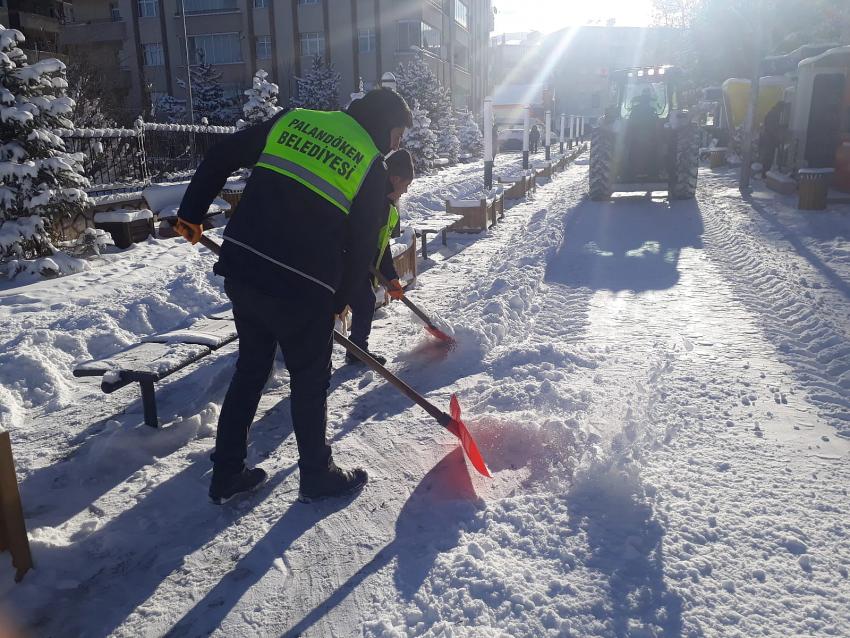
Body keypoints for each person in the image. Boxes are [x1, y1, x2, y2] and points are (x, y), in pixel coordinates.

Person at [174, 88, 413, 504]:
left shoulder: (293, 119)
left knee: (251, 368)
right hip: (303, 287)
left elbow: (222, 155)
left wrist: (191, 212)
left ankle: (227, 473)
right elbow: (360, 246)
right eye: (398, 134)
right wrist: (339, 300)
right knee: (309, 377)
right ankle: (317, 474)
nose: (398, 145)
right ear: (384, 123)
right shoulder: (371, 166)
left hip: (245, 267)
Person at [346, 150, 414, 365]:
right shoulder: (370, 202)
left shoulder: (387, 208)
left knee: (365, 302)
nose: (405, 190)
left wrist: (391, 278)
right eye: (406, 184)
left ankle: (356, 351)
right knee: (363, 301)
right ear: (394, 179)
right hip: (345, 259)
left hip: (359, 263)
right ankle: (356, 351)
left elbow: (381, 247)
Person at [760, 101, 784, 177]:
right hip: (769, 139)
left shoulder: (772, 113)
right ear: (780, 107)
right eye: (782, 109)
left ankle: (765, 173)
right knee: (768, 157)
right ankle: (765, 174)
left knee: (768, 156)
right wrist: (777, 138)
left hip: (768, 138)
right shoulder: (774, 114)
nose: (782, 111)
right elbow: (772, 128)